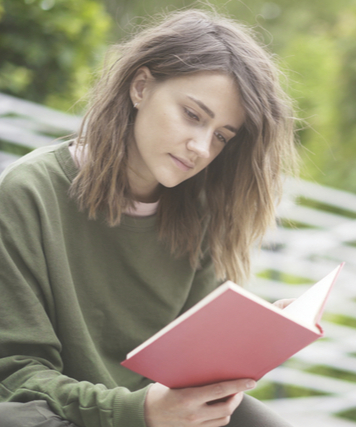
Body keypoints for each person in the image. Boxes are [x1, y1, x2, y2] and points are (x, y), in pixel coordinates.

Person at [0, 8, 298, 427]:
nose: (200, 147)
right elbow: (15, 373)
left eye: (221, 137)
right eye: (193, 115)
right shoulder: (30, 192)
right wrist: (136, 412)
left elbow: (193, 367)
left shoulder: (200, 216)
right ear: (140, 87)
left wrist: (251, 341)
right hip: (65, 413)